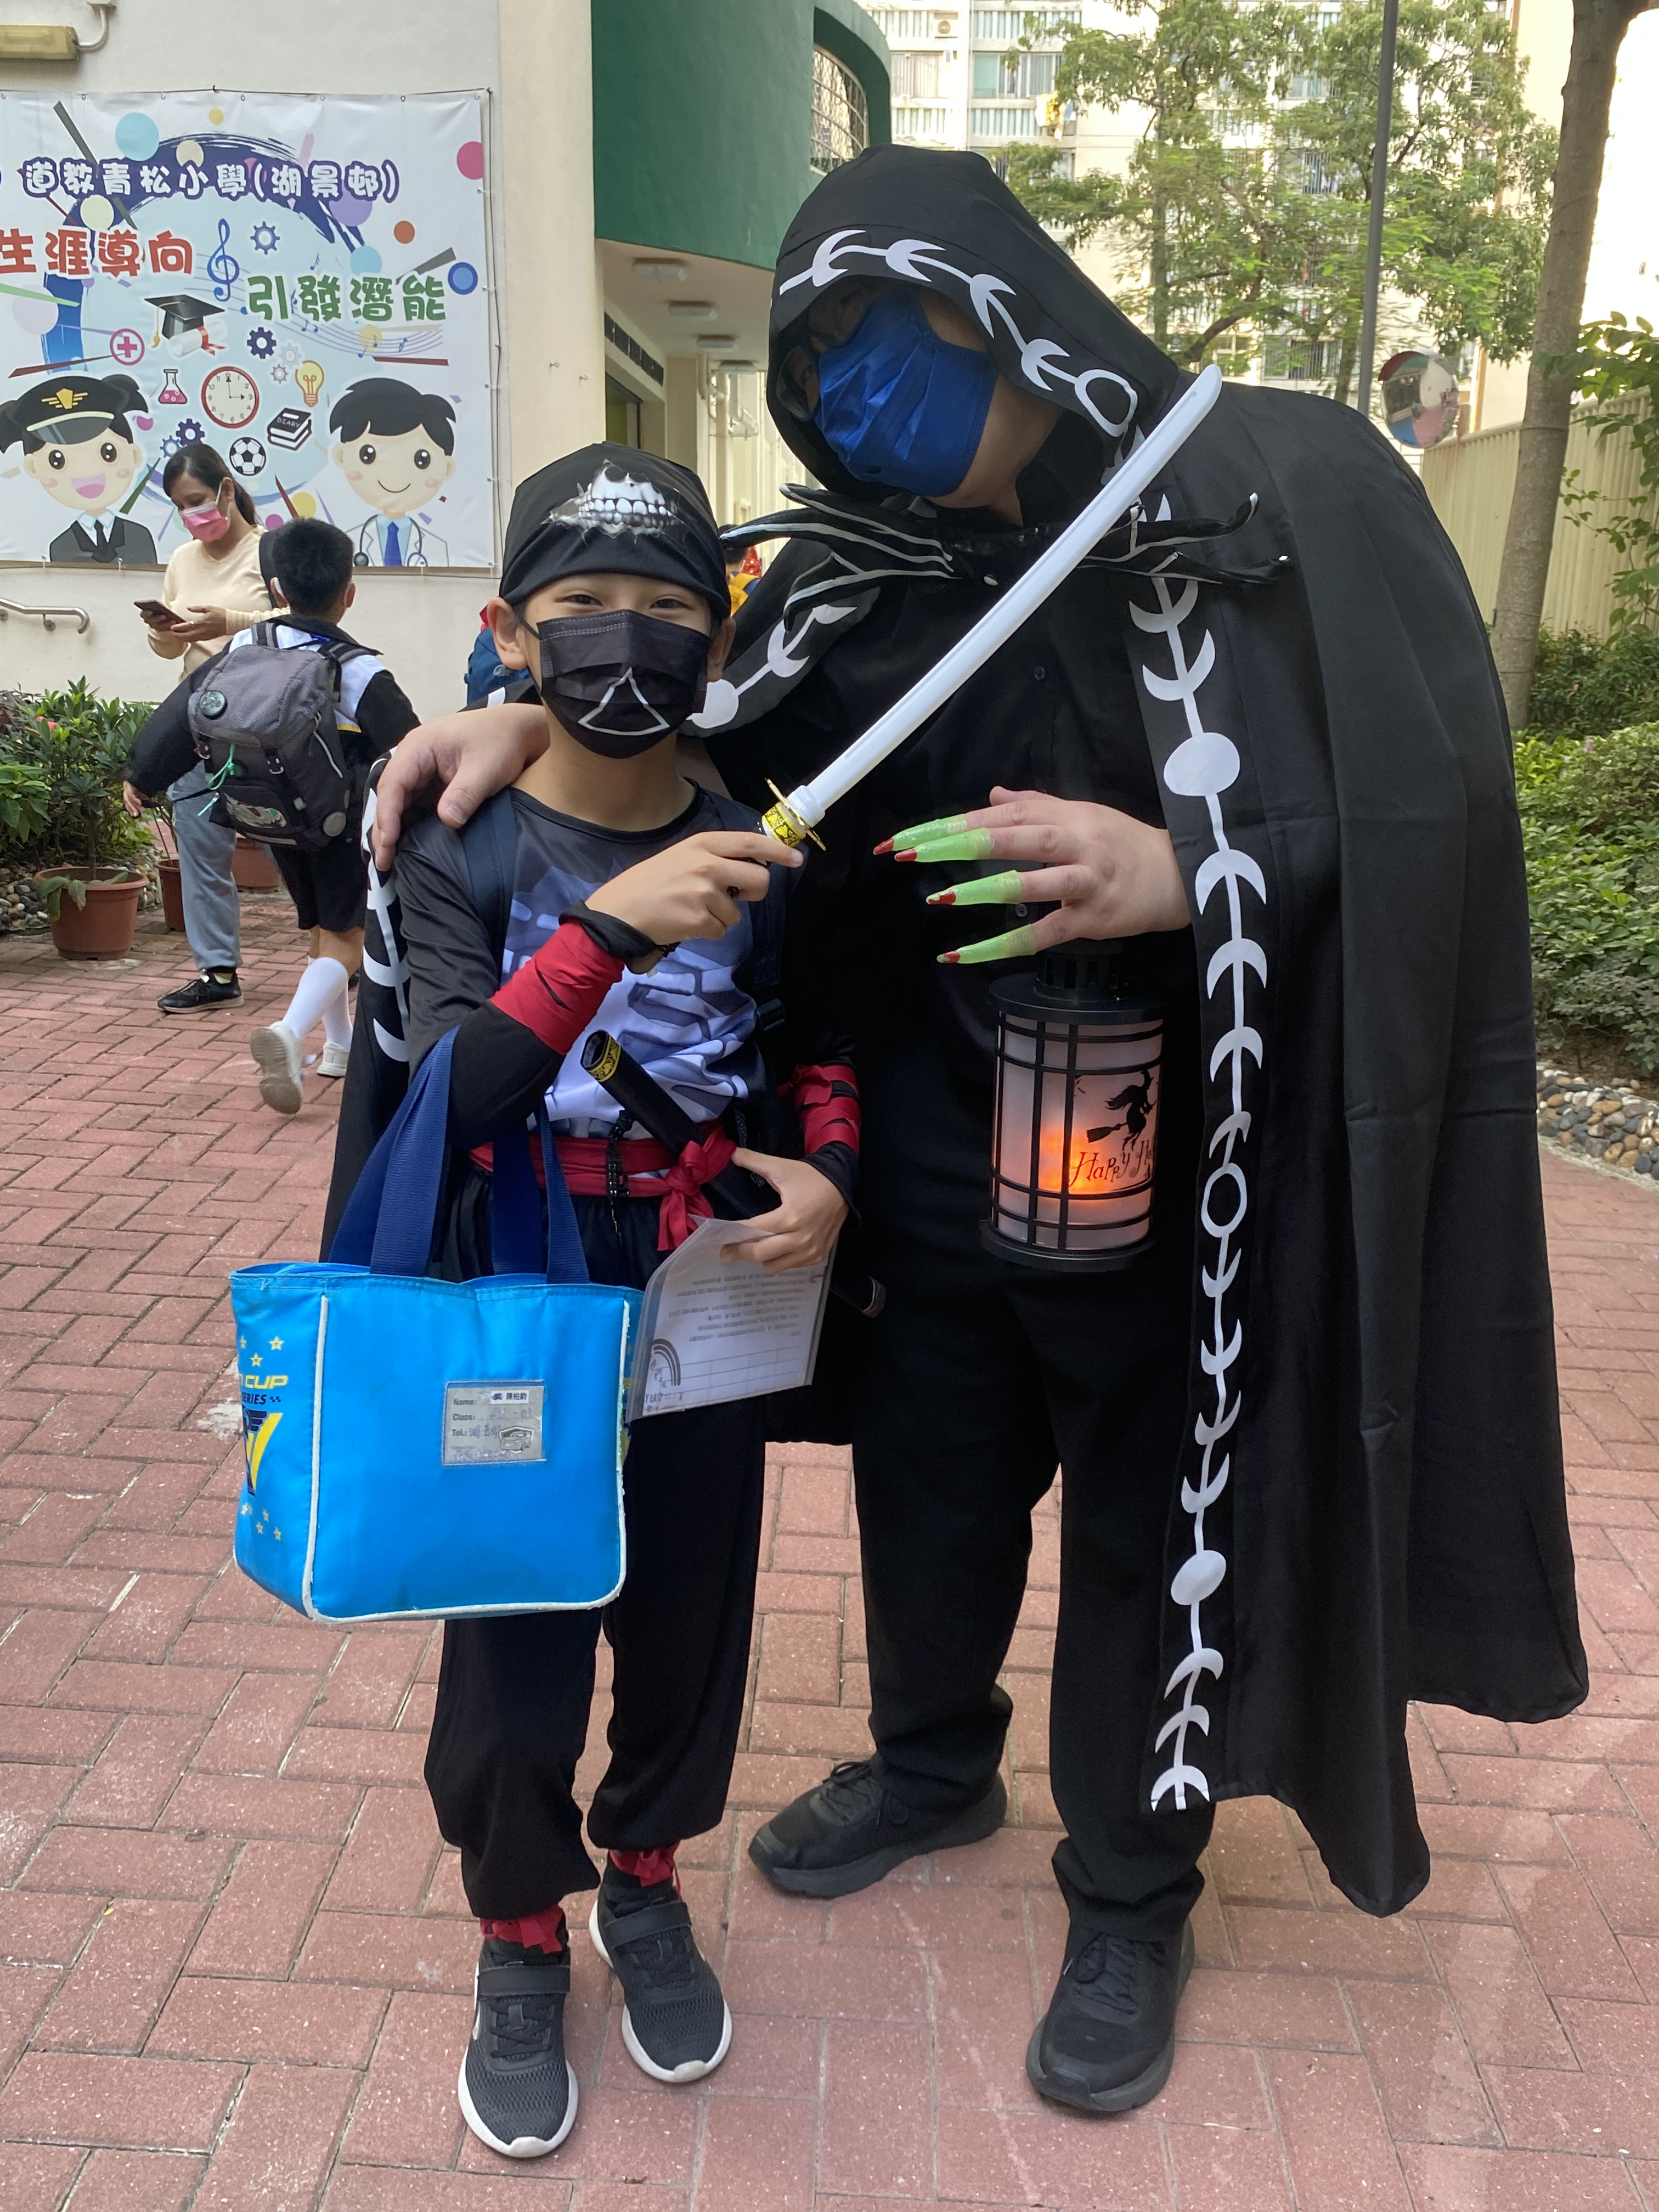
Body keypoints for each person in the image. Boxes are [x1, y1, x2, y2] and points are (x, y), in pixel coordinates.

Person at [365, 147, 1585, 2119]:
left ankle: (1132, 1883)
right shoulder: (851, 570)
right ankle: (932, 1761)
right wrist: (519, 724)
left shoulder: (1280, 487)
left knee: (1145, 1506)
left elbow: (1430, 801)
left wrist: (1191, 865)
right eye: (815, 359)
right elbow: (705, 766)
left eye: (886, 330)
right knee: (929, 1476)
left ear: (1003, 297)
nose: (855, 391)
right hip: (922, 1130)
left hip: (1180, 1145)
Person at [326, 443, 854, 2159]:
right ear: (509, 628)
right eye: (581, 607)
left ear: (723, 635)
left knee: (692, 1617)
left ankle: (644, 1873)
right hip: (517, 1290)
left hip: (703, 1301)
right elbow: (448, 1095)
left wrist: (829, 1171)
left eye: (664, 610)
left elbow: (818, 1033)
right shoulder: (461, 840)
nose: (625, 638)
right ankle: (518, 1928)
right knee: (516, 1635)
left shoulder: (767, 830)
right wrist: (607, 932)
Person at [125, 517, 420, 1113]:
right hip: (339, 824)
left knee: (320, 930)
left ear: (278, 589)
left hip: (270, 816)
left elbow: (187, 708)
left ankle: (338, 1047)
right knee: (350, 939)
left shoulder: (245, 647)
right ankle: (289, 1032)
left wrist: (142, 773)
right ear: (349, 593)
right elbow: (411, 746)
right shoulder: (355, 668)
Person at [125, 442, 272, 1015]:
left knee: (297, 845)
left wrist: (230, 622)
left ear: (226, 490)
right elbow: (168, 650)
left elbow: (304, 622)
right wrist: (164, 629)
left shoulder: (270, 553)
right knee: (201, 850)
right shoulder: (184, 560)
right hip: (200, 723)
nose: (193, 514)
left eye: (198, 500)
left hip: (265, 722)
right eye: (181, 506)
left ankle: (343, 949)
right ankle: (217, 972)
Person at [0, 371, 159, 565]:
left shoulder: (140, 537)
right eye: (57, 461)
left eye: (108, 453)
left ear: (134, 455)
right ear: (33, 467)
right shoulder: (59, 546)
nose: (87, 472)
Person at [327, 376, 456, 566]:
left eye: (422, 460)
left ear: (447, 468)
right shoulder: (346, 546)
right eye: (368, 455)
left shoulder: (436, 547)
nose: (395, 473)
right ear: (341, 456)